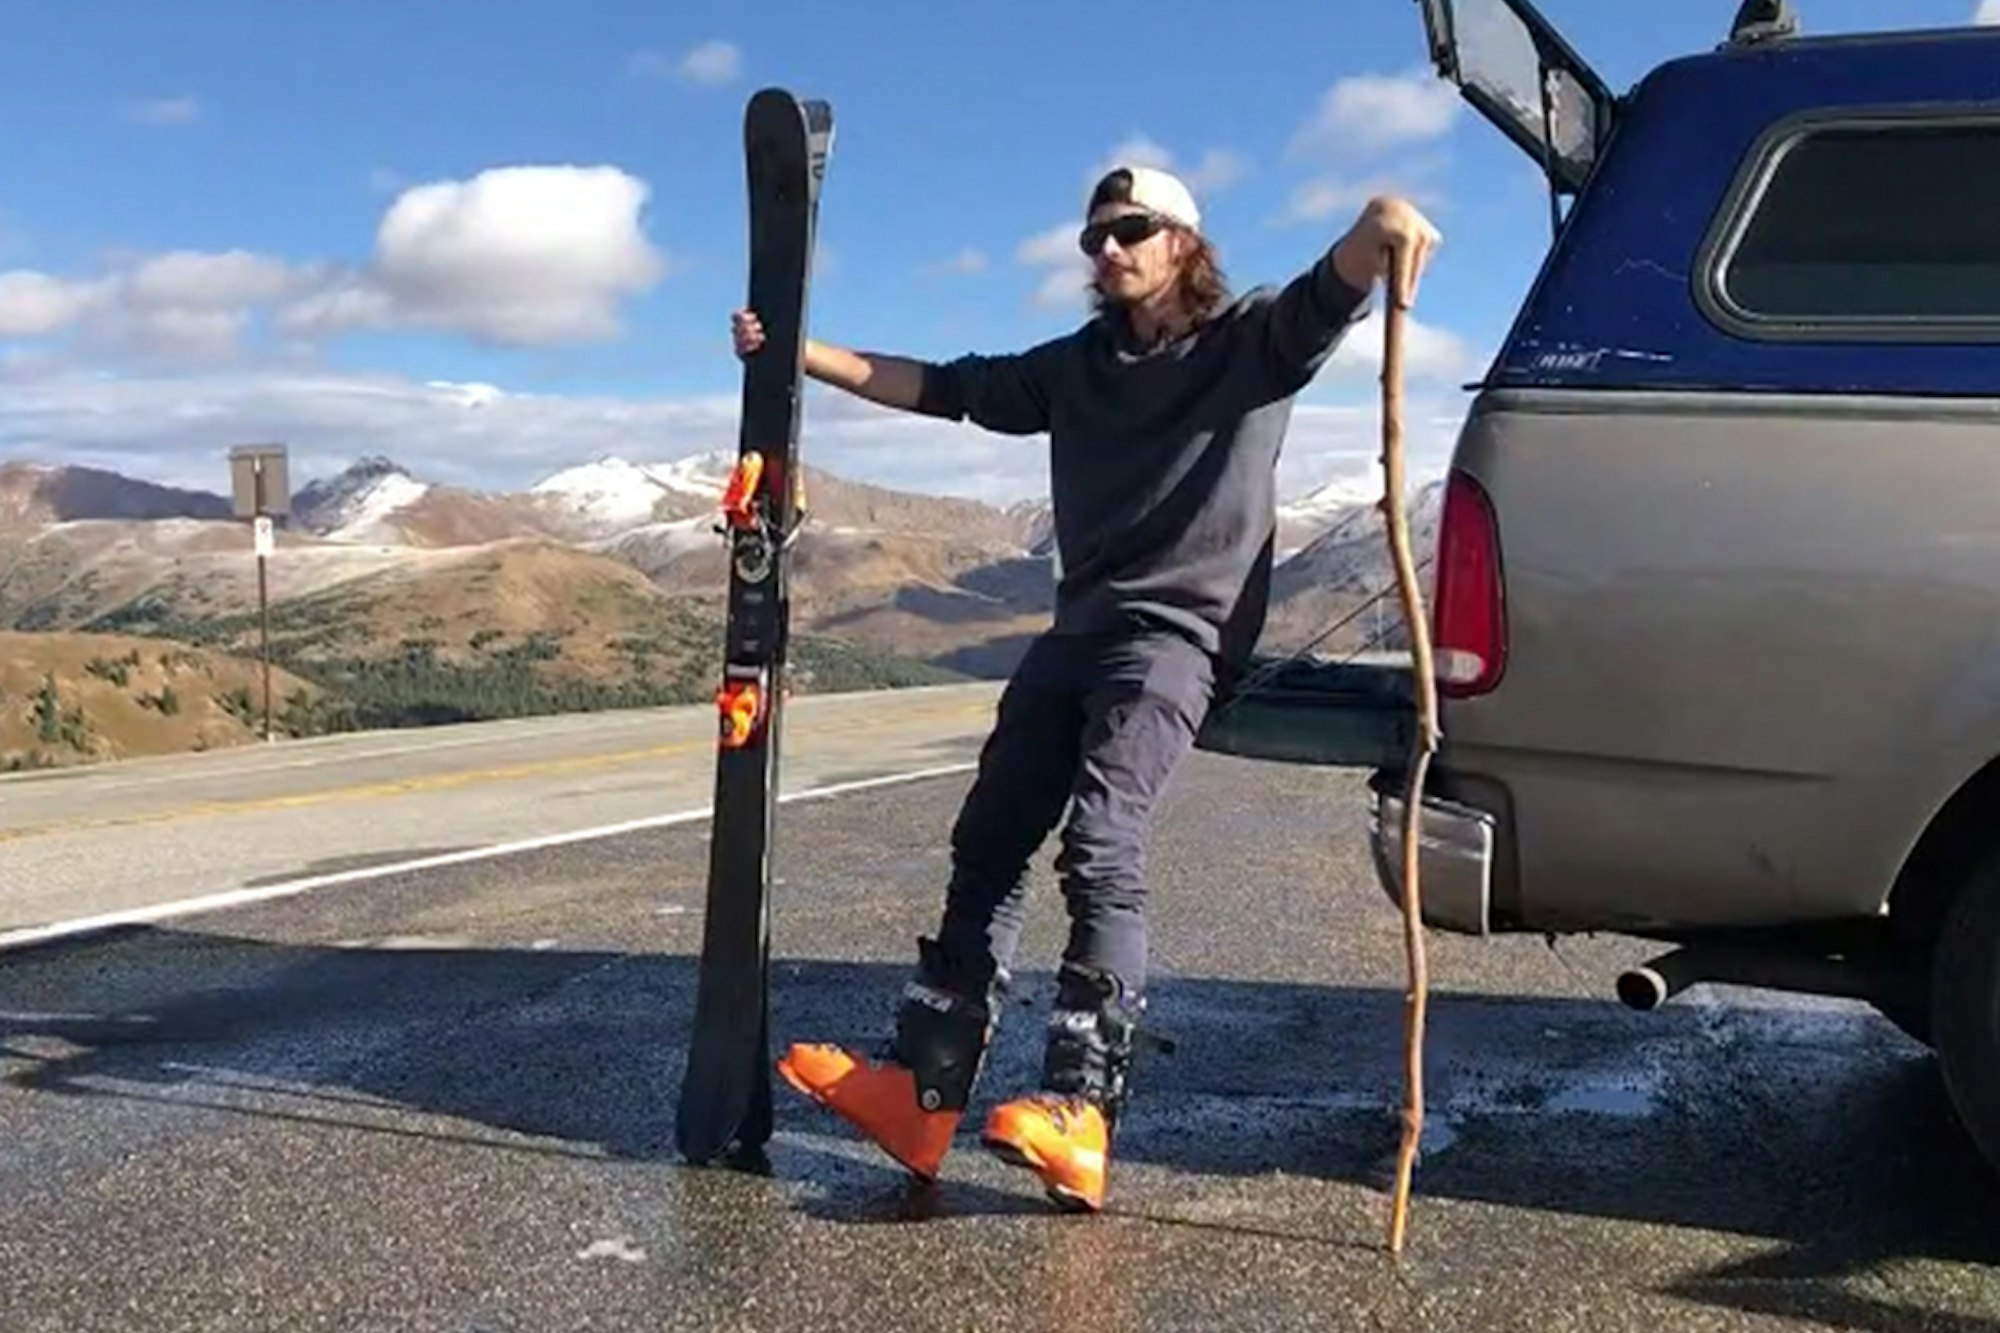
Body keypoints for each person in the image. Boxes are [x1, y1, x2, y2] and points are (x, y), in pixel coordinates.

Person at [735, 164, 1441, 1212]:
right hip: (1080, 630)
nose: (1107, 249)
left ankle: (1082, 1113)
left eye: (1131, 230)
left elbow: (1337, 280)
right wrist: (803, 356)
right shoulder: (1077, 366)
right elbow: (946, 388)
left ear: (1182, 243)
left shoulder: (1252, 341)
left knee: (1102, 841)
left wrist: (1377, 221)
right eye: (1094, 237)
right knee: (986, 837)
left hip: (1175, 638)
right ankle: (921, 1097)